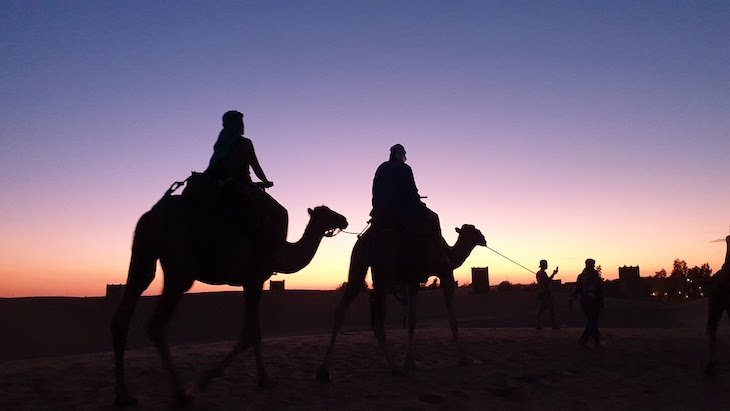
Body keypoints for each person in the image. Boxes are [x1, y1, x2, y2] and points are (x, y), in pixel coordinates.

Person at [202, 110, 287, 250]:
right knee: (281, 213)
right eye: (241, 122)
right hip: (241, 187)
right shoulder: (244, 143)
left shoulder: (221, 145)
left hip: (221, 186)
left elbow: (215, 169)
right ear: (236, 124)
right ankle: (275, 253)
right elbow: (256, 167)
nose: (243, 125)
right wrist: (265, 181)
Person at [369, 144, 450, 274]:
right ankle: (442, 256)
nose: (404, 156)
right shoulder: (405, 168)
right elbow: (411, 190)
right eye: (402, 153)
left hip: (380, 211)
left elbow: (375, 189)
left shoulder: (381, 167)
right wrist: (417, 199)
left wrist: (377, 207)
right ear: (397, 153)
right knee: (433, 217)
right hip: (402, 210)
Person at [705, 235, 730, 376]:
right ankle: (711, 360)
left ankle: (711, 361)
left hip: (720, 286)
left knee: (712, 327)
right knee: (713, 327)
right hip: (722, 287)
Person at [569, 258, 603, 347]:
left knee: (592, 320)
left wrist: (572, 299)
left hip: (584, 302)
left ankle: (596, 339)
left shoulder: (580, 276)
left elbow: (576, 289)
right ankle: (584, 339)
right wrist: (601, 301)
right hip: (593, 302)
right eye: (593, 265)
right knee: (592, 320)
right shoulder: (595, 275)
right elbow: (599, 289)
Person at [536, 260, 559, 330]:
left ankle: (553, 325)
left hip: (544, 293)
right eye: (546, 264)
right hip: (544, 294)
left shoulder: (541, 273)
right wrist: (554, 274)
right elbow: (547, 281)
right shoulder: (541, 273)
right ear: (543, 265)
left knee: (549, 309)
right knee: (543, 310)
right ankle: (540, 325)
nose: (547, 265)